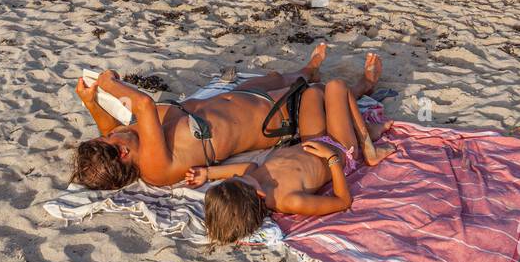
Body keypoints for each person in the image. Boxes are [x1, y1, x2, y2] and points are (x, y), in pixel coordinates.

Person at [72, 44, 358, 190]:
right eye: (110, 138)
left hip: (236, 100)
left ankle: (309, 67)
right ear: (122, 152)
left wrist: (91, 103)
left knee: (277, 76)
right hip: (273, 116)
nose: (113, 130)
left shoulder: (134, 144)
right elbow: (144, 104)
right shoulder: (154, 167)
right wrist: (108, 83)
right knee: (325, 95)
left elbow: (112, 128)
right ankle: (363, 87)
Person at [191, 63, 396, 243]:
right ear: (259, 194)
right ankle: (368, 148)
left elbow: (248, 167)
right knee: (336, 86)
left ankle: (365, 129)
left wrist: (207, 174)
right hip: (340, 150)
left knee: (313, 92)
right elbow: (342, 202)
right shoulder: (289, 200)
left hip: (311, 141)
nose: (236, 175)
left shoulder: (253, 180)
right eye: (238, 179)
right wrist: (331, 159)